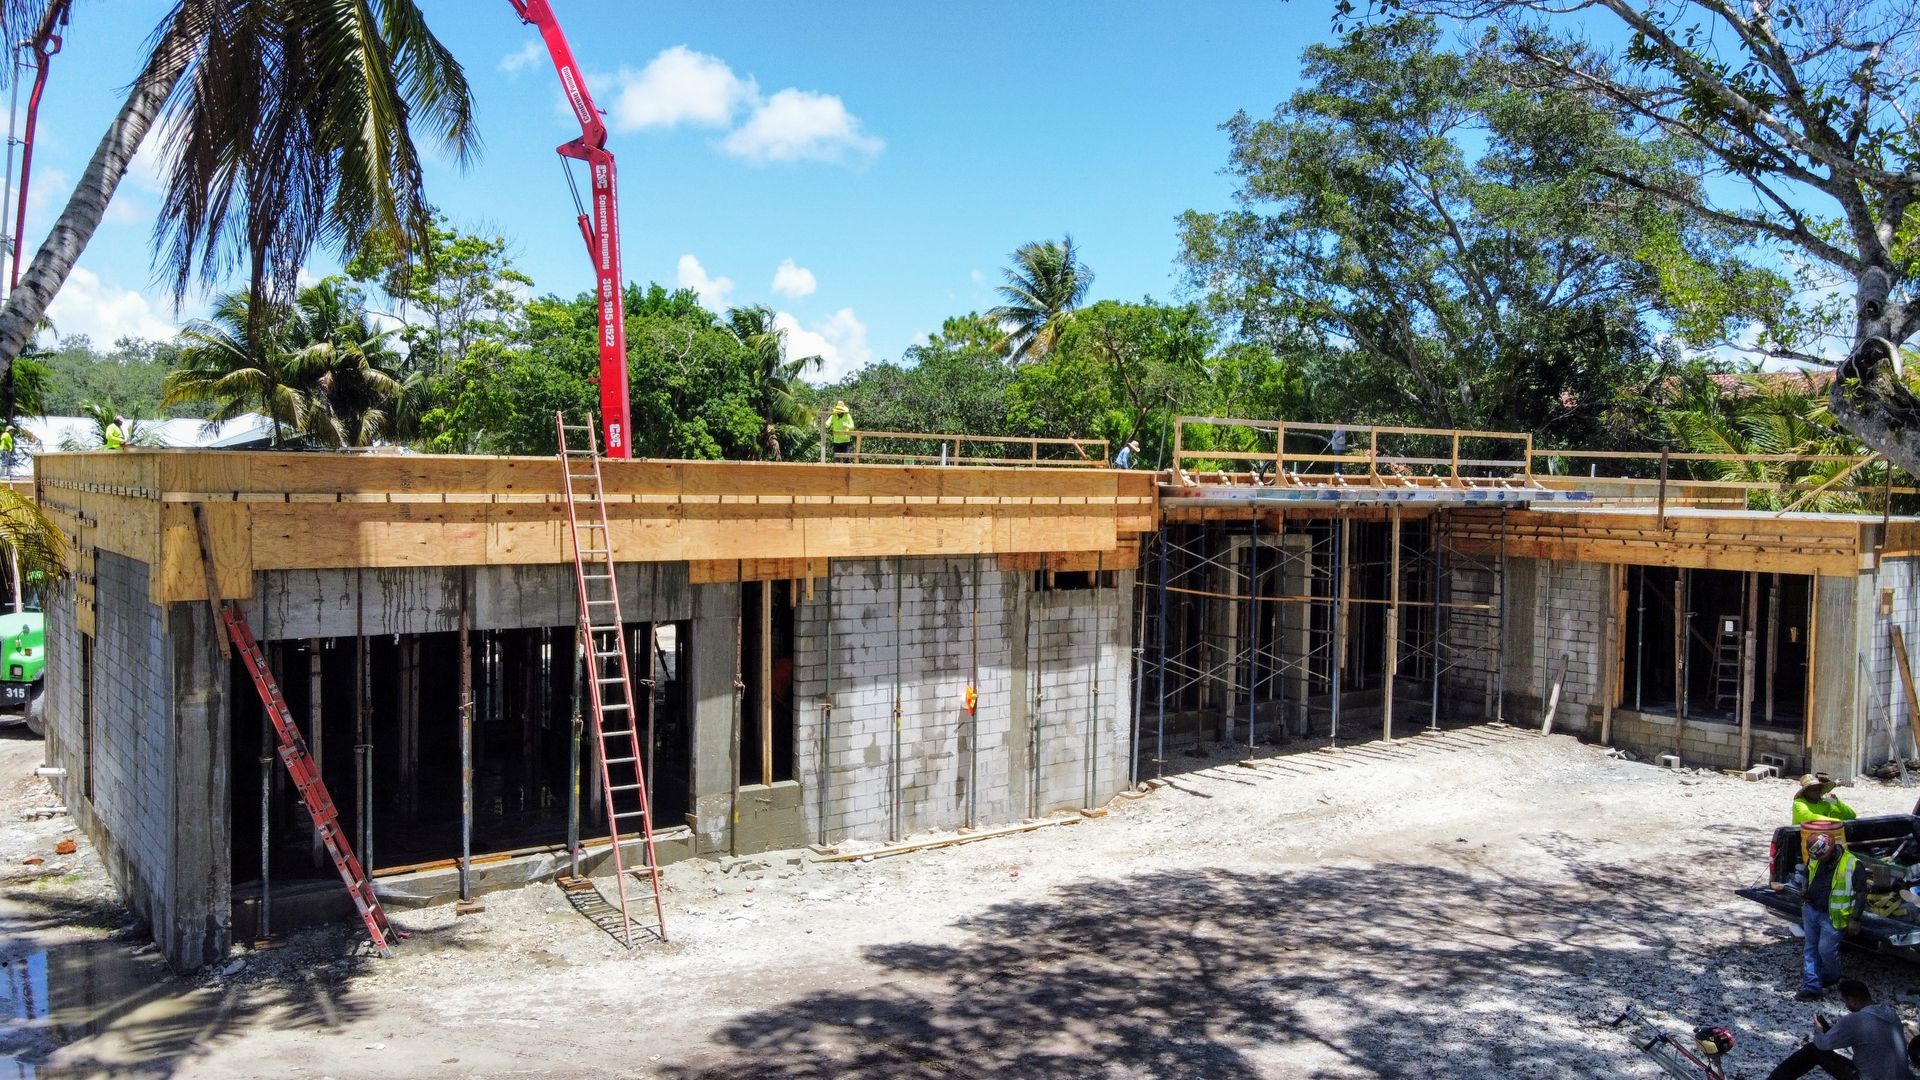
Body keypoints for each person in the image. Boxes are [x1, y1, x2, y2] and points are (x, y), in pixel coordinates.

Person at [1767, 978, 1915, 1079]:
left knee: (1813, 1050)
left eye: (1846, 1001)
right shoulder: (1890, 1013)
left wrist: (1819, 1030)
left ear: (1852, 999)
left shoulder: (1855, 1020)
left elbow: (1823, 1045)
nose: (1846, 1005)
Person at [1798, 832, 1862, 1001]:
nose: (1820, 859)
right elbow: (1806, 875)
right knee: (1810, 948)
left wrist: (1856, 918)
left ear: (1832, 850)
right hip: (1811, 909)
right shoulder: (1814, 858)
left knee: (1825, 950)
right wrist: (1804, 889)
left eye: (1823, 856)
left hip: (1833, 916)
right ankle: (1811, 986)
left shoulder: (1852, 864)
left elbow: (1862, 892)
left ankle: (1833, 976)